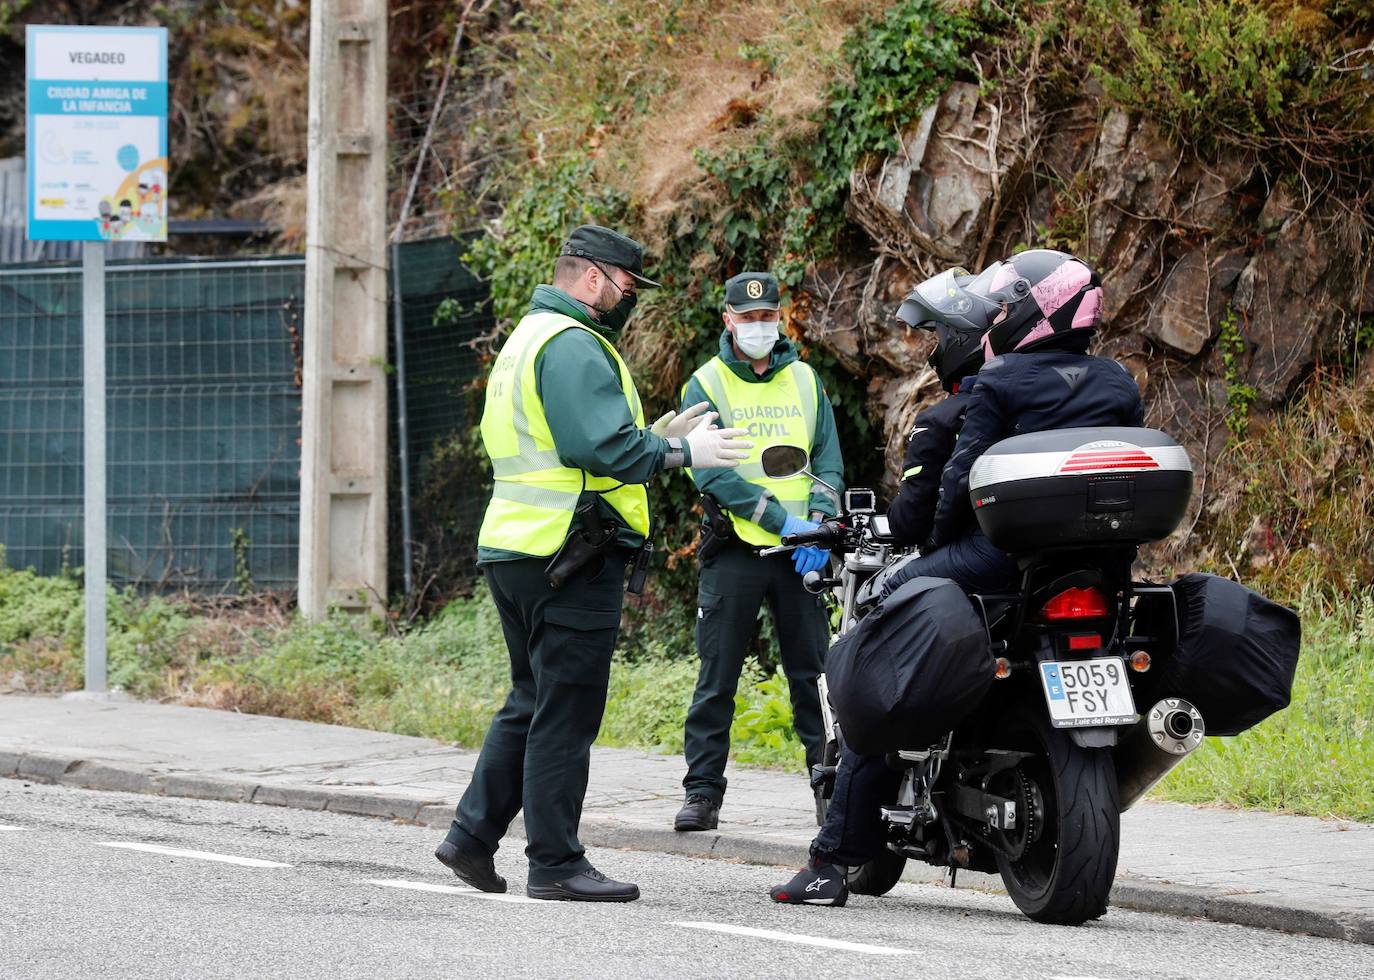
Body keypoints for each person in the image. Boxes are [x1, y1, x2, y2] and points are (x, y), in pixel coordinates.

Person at [769, 249, 1144, 906]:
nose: (995, 317)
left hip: (999, 563)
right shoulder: (1116, 380)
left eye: (1003, 306)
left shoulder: (993, 390)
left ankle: (831, 860)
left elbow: (952, 494)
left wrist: (928, 548)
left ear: (1030, 312)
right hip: (1096, 568)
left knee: (878, 646)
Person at [434, 224, 752, 903]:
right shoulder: (575, 345)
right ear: (591, 277)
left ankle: (470, 837)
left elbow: (570, 442)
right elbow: (599, 450)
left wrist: (656, 436)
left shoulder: (529, 338)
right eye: (626, 286)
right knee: (566, 711)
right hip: (570, 553)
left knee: (530, 699)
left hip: (519, 547)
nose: (627, 298)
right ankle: (555, 863)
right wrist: (681, 453)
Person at [673, 272, 846, 833]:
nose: (758, 326)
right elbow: (710, 473)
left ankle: (829, 791)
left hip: (801, 558)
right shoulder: (705, 383)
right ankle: (702, 795)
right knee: (717, 675)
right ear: (727, 319)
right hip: (736, 549)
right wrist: (781, 520)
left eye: (766, 317)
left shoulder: (804, 379)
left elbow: (829, 461)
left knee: (815, 678)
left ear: (780, 318)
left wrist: (819, 526)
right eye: (746, 319)